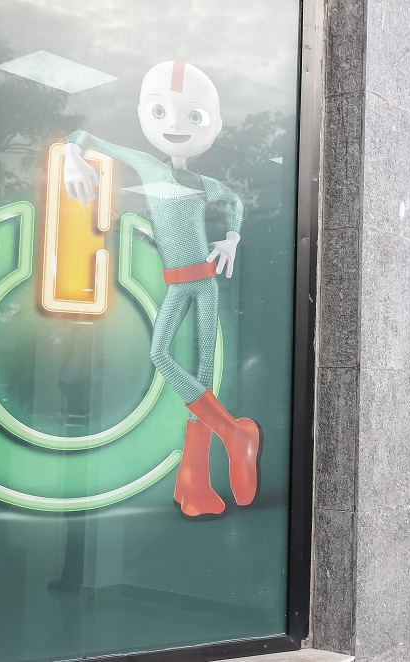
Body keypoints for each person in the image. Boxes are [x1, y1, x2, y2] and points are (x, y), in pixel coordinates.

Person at [63, 61, 260, 520]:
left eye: (193, 117)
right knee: (160, 354)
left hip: (203, 281)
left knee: (203, 374)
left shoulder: (204, 183)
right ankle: (235, 435)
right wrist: (72, 155)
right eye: (160, 112)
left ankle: (194, 485)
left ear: (214, 126)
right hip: (177, 284)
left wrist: (231, 237)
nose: (174, 125)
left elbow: (234, 201)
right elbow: (83, 135)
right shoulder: (146, 164)